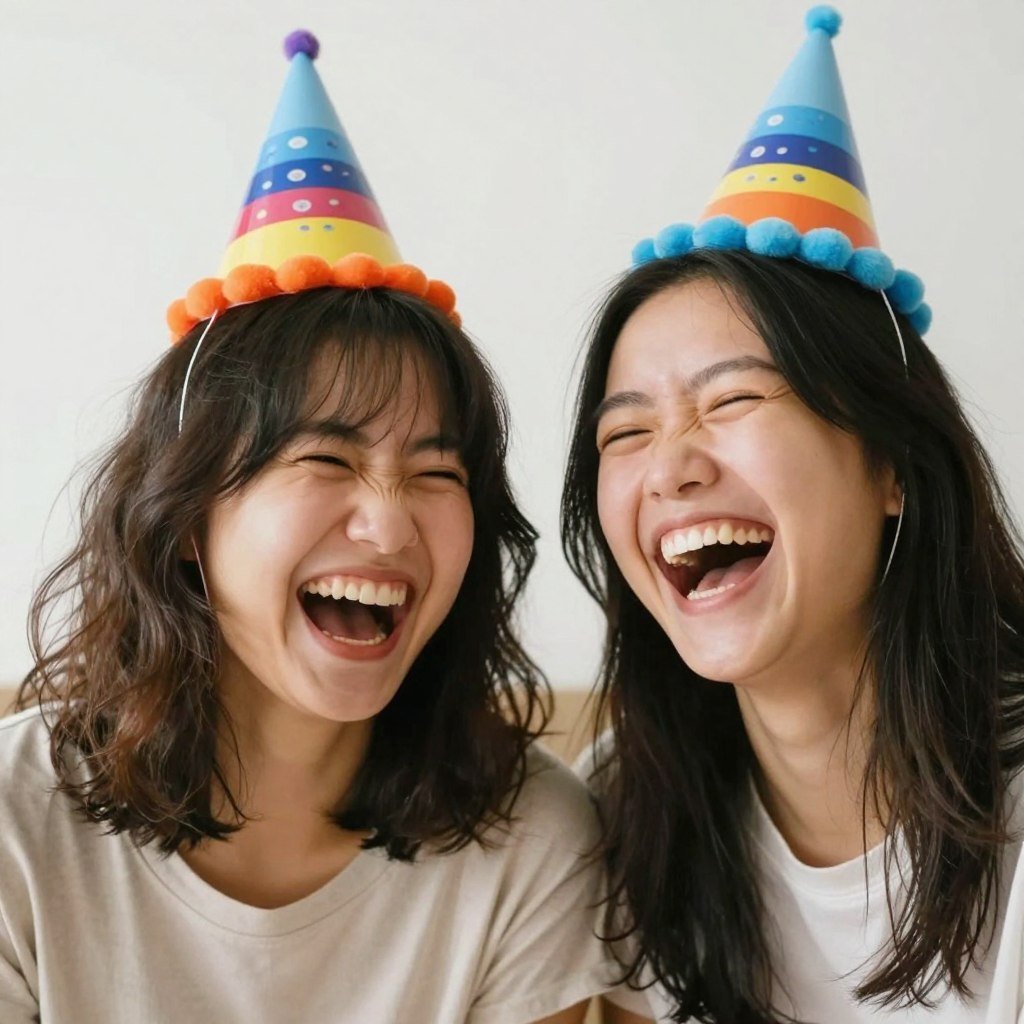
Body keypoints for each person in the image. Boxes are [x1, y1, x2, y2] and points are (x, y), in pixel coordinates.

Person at [0, 31, 613, 1024]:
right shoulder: (15, 826)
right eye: (325, 460)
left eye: (434, 471)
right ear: (187, 514)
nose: (389, 522)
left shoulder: (532, 837)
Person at [562, 8, 1024, 1024]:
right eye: (623, 433)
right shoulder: (620, 809)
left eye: (732, 401)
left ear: (892, 463)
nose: (671, 467)